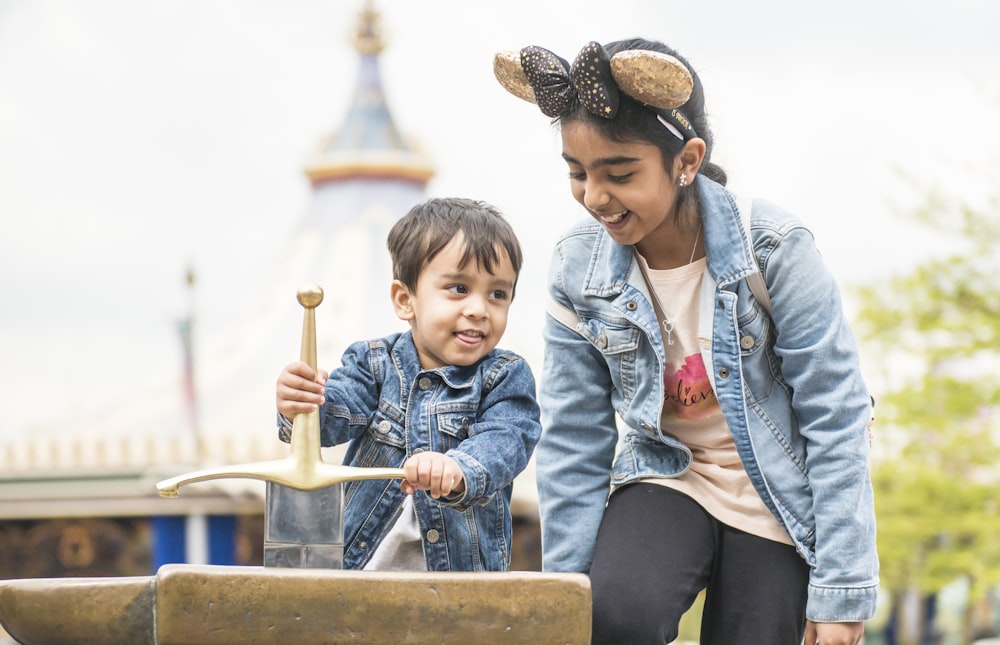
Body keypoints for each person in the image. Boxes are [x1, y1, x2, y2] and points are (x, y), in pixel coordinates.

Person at [494, 39, 878, 644]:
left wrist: (841, 592)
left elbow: (837, 415)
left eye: (619, 173)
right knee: (613, 617)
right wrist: (563, 599)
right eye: (577, 172)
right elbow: (574, 436)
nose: (595, 196)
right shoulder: (577, 267)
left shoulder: (775, 248)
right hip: (669, 474)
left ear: (687, 160)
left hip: (777, 493)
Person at [275, 197, 541, 572]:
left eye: (498, 294)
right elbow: (331, 421)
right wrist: (300, 404)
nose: (480, 309)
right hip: (359, 575)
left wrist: (457, 467)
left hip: (458, 587)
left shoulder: (504, 376)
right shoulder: (373, 363)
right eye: (459, 289)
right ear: (405, 300)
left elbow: (506, 441)